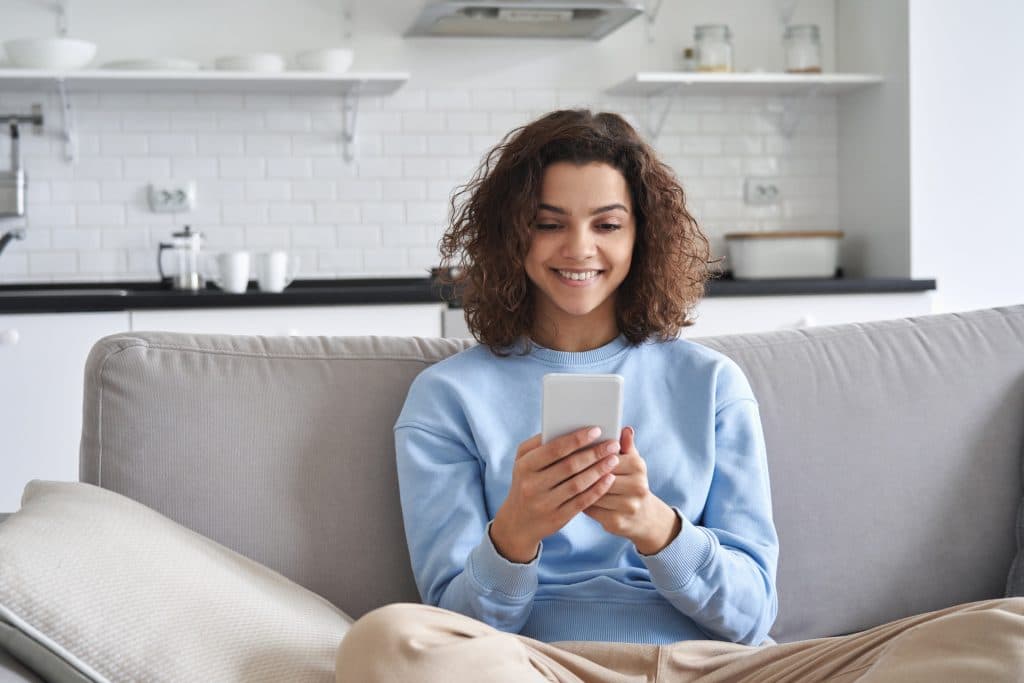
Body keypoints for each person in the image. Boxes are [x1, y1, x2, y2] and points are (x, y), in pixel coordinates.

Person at [336, 109, 1024, 682]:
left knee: (1008, 630)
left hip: (719, 668)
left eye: (607, 223)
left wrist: (656, 527)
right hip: (541, 666)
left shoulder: (712, 383)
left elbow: (753, 614)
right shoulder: (447, 397)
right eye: (549, 222)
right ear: (512, 234)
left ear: (642, 236)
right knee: (388, 640)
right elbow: (459, 624)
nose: (579, 246)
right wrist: (516, 532)